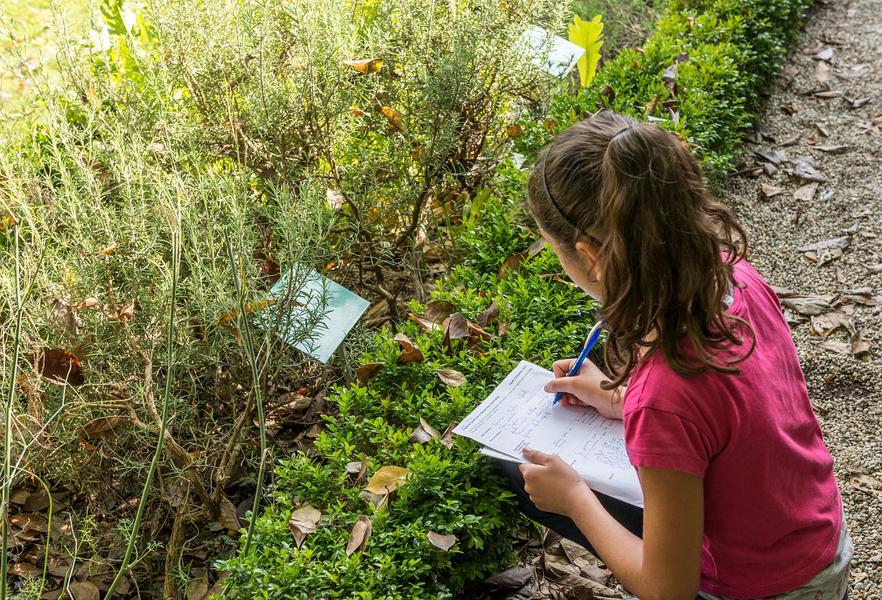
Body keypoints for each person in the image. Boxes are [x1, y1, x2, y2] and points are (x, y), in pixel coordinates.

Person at [495, 109, 852, 600]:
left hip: (763, 589)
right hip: (816, 545)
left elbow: (669, 592)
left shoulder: (664, 396)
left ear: (591, 256)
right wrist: (618, 398)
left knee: (511, 472)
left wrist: (574, 499)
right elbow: (735, 417)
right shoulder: (731, 277)